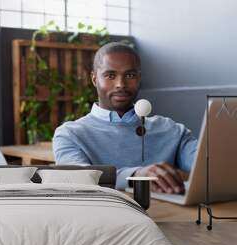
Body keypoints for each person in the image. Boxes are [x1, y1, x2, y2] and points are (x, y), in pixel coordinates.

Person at [53, 42, 197, 194]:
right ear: (94, 79)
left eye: (130, 75)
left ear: (139, 78)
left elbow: (208, 164)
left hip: (170, 214)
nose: (121, 84)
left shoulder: (172, 130)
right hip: (105, 215)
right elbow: (78, 178)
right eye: (110, 75)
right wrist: (135, 175)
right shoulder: (70, 134)